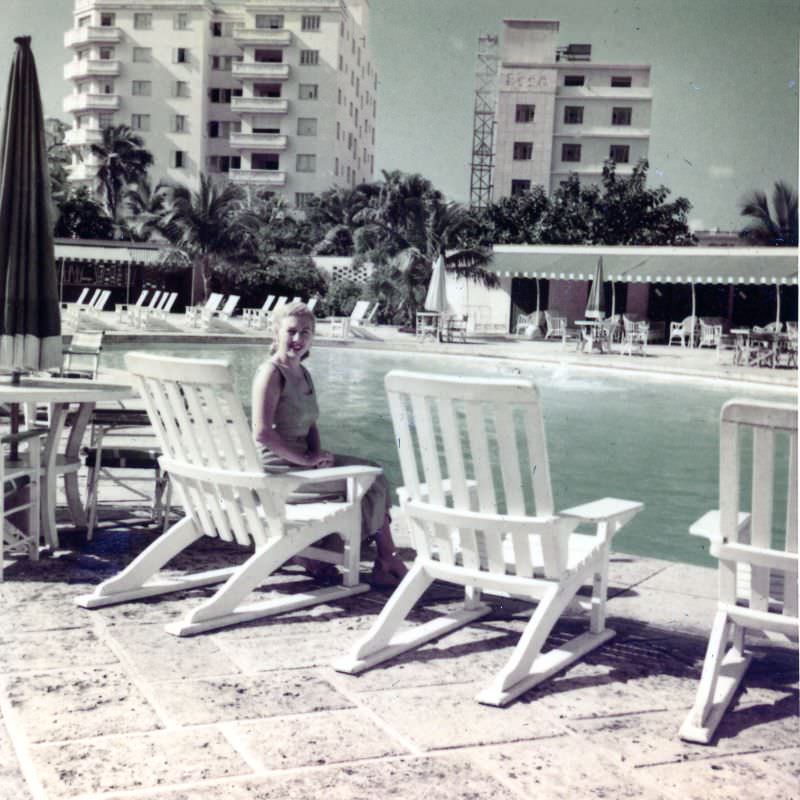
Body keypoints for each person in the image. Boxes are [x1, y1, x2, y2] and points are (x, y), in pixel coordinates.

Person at [251, 301, 407, 587]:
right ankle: (386, 559)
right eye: (292, 331)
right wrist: (307, 462)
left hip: (301, 462)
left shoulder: (303, 373)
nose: (298, 339)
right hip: (278, 470)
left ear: (313, 337)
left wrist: (318, 454)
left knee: (373, 473)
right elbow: (262, 433)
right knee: (372, 480)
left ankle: (320, 556)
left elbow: (310, 423)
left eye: (306, 332)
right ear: (276, 332)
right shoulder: (271, 373)